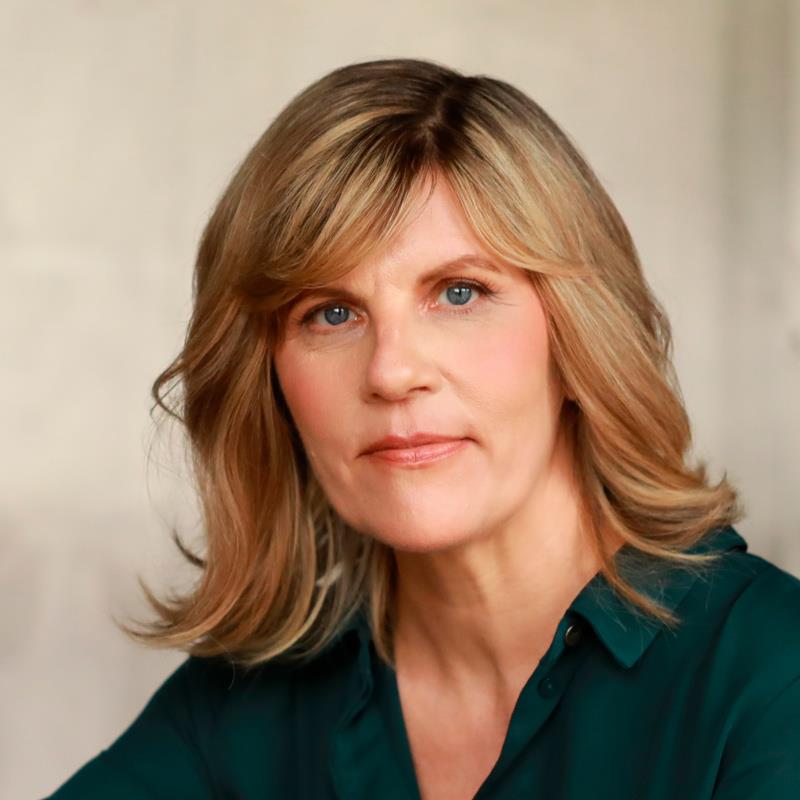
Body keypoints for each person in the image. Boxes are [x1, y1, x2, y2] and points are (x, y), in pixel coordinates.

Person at [46, 57, 800, 800]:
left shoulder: (770, 676)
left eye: (460, 293)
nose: (391, 371)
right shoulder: (240, 708)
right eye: (331, 313)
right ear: (269, 380)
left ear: (578, 337)